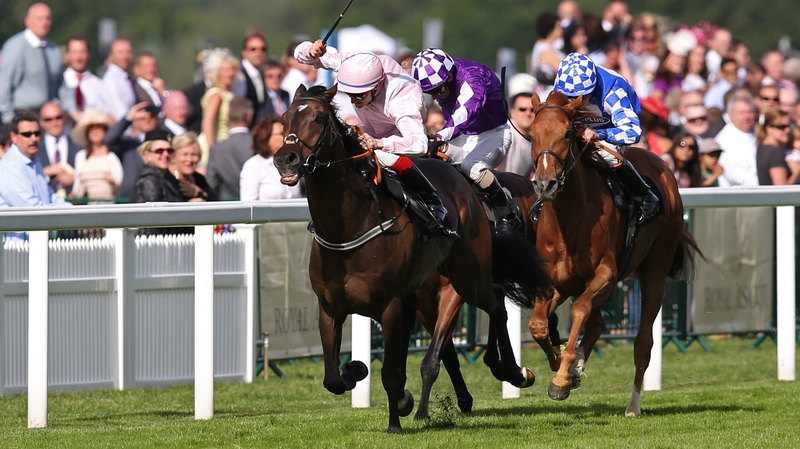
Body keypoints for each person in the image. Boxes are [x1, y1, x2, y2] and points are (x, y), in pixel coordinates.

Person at [296, 40, 459, 237]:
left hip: (399, 137)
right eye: (350, 94)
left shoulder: (402, 97)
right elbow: (300, 54)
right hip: (371, 130)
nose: (354, 100)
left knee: (383, 157)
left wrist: (379, 143)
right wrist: (312, 51)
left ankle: (433, 203)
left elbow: (419, 143)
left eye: (359, 95)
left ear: (376, 86)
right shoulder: (353, 66)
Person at [412, 47, 523, 234]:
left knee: (472, 166)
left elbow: (467, 110)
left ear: (448, 77)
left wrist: (440, 135)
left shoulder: (472, 76)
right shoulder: (443, 78)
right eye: (430, 93)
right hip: (463, 136)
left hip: (494, 134)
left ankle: (507, 211)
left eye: (438, 90)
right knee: (430, 159)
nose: (436, 96)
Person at [552, 52, 659, 224]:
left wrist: (599, 134)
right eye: (569, 97)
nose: (574, 102)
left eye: (581, 96)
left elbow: (633, 132)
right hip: (582, 125)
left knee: (604, 154)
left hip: (611, 126)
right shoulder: (563, 84)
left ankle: (645, 195)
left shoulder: (613, 90)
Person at [0, 3, 76, 124]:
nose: (44, 22)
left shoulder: (53, 49)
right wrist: (9, 120)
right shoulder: (16, 47)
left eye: (48, 18)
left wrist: (73, 111)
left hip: (48, 118)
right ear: (28, 21)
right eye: (39, 18)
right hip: (22, 117)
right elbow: (4, 85)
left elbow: (61, 86)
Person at [0, 111, 70, 240]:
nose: (34, 138)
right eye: (27, 134)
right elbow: (31, 210)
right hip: (15, 250)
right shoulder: (10, 166)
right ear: (14, 137)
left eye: (37, 133)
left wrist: (74, 212)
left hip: (35, 244)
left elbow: (49, 196)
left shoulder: (33, 160)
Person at [240, 115, 302, 201]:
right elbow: (248, 204)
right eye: (281, 134)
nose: (286, 138)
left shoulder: (292, 161)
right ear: (266, 137)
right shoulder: (254, 165)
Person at [105, 101, 160, 198]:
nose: (147, 120)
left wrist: (178, 180)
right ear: (135, 121)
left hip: (156, 194)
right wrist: (128, 118)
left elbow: (175, 169)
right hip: (128, 196)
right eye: (142, 118)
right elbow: (109, 139)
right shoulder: (128, 143)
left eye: (151, 117)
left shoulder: (165, 144)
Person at [69, 109, 122, 201]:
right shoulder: (81, 156)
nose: (95, 131)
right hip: (89, 206)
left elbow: (120, 185)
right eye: (91, 128)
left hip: (109, 205)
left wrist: (112, 181)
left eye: (98, 127)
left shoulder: (111, 156)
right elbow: (78, 184)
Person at [206, 97, 254, 199]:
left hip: (227, 206)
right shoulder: (258, 145)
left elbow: (211, 183)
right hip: (256, 205)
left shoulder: (216, 149)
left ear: (228, 117)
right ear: (250, 117)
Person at [200, 51, 239, 166]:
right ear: (217, 73)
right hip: (216, 145)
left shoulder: (229, 94)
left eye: (232, 69)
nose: (230, 73)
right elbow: (207, 124)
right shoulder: (217, 95)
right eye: (226, 70)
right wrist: (213, 150)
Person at [496, 74, 537, 177]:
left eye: (532, 110)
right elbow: (493, 170)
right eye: (522, 109)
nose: (528, 113)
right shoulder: (504, 133)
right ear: (512, 111)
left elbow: (527, 175)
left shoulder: (536, 140)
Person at [37, 102, 81, 196]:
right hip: (44, 205)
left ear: (65, 118)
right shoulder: (34, 148)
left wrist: (77, 178)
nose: (54, 123)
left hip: (74, 204)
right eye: (48, 119)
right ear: (41, 122)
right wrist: (43, 171)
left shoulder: (79, 145)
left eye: (58, 118)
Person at [716, 92, 759, 186]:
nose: (746, 116)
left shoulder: (756, 133)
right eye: (742, 113)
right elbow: (737, 176)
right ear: (730, 115)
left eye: (750, 112)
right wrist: (767, 184)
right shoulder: (724, 140)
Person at [232, 33, 268, 127]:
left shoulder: (260, 74)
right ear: (244, 52)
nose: (259, 53)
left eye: (263, 49)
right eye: (253, 49)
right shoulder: (239, 76)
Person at [169, 132, 217, 202]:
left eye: (194, 155)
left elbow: (215, 202)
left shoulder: (198, 178)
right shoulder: (167, 178)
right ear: (174, 156)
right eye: (185, 154)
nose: (189, 159)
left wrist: (198, 193)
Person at [63, 36, 104, 114]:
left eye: (82, 52)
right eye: (74, 52)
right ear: (68, 54)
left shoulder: (99, 85)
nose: (79, 57)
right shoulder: (60, 83)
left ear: (89, 54)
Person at [755, 108, 795, 185]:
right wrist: (796, 173)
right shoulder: (774, 152)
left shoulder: (762, 147)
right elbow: (781, 188)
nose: (787, 130)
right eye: (781, 127)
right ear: (769, 129)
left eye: (788, 126)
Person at [100, 39, 136, 121]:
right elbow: (121, 115)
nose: (125, 56)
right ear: (111, 55)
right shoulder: (112, 81)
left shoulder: (125, 78)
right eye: (120, 52)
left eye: (128, 52)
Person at [530, 12, 565, 86]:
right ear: (551, 28)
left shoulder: (543, 46)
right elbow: (562, 68)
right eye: (559, 26)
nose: (562, 29)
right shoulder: (545, 49)